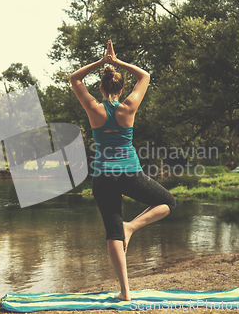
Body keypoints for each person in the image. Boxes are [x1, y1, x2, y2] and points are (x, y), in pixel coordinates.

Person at [69, 40, 176, 301]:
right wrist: (116, 62)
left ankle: (125, 292)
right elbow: (145, 76)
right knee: (168, 202)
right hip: (130, 174)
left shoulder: (93, 108)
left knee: (113, 232)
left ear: (102, 87)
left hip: (103, 177)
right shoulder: (129, 108)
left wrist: (101, 62)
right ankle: (133, 227)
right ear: (121, 87)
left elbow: (74, 78)